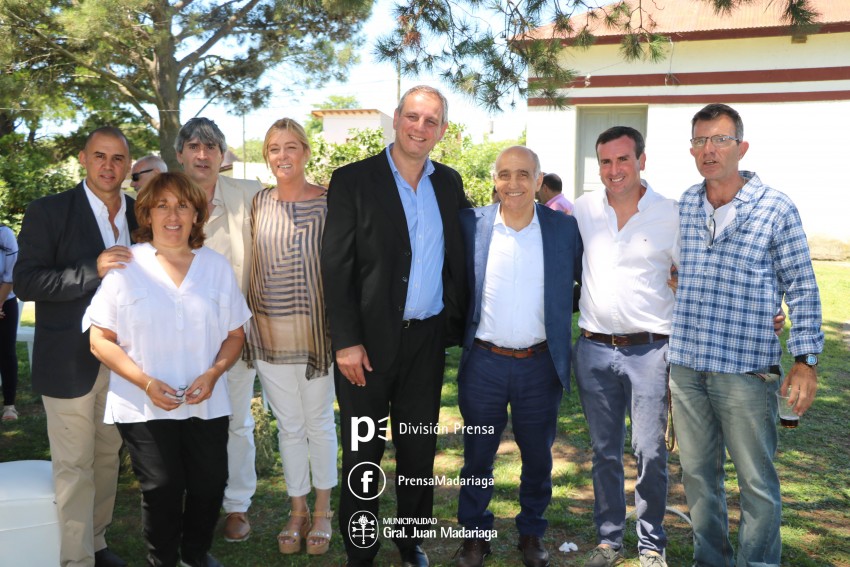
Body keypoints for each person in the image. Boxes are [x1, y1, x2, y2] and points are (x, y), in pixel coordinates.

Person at [321, 85, 470, 567]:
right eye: (412, 117)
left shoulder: (448, 183)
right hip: (365, 346)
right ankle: (361, 552)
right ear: (395, 119)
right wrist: (345, 341)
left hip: (425, 341)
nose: (420, 128)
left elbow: (461, 258)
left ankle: (411, 543)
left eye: (431, 121)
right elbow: (335, 267)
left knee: (418, 453)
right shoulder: (353, 181)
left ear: (442, 130)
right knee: (364, 453)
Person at [669, 103, 823, 567]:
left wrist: (805, 359)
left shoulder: (776, 206)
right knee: (697, 476)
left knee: (756, 481)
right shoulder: (687, 203)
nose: (708, 150)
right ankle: (710, 560)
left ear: (742, 146)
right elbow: (681, 269)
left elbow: (801, 282)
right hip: (687, 365)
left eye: (719, 139)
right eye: (700, 140)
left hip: (746, 369)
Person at [88, 172, 251, 567]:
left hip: (205, 400)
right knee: (162, 486)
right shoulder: (126, 264)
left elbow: (235, 334)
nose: (172, 214)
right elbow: (99, 339)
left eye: (183, 205)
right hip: (143, 402)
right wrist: (145, 382)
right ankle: (162, 559)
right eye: (162, 205)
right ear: (147, 214)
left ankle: (195, 556)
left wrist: (214, 373)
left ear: (198, 215)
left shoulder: (214, 267)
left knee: (209, 484)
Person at [454, 146, 582, 567]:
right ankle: (475, 535)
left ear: (538, 179)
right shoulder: (472, 224)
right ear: (495, 179)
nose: (513, 184)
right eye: (505, 174)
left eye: (523, 174)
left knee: (537, 456)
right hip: (484, 362)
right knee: (477, 455)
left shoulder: (563, 229)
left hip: (539, 363)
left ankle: (531, 532)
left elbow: (585, 282)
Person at [14, 126, 135, 567]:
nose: (108, 166)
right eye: (100, 156)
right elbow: (27, 282)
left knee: (107, 458)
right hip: (68, 361)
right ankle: (76, 561)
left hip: (124, 363)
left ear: (127, 163)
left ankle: (97, 543)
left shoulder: (140, 215)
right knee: (73, 467)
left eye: (118, 158)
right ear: (84, 159)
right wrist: (93, 268)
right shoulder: (48, 211)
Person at [572, 126, 677, 567]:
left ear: (642, 160)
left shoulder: (671, 213)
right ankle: (609, 539)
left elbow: (696, 274)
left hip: (650, 351)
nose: (614, 170)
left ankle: (651, 545)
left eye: (623, 160)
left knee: (650, 451)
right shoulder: (582, 209)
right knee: (604, 450)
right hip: (594, 349)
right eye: (606, 162)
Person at [244, 118, 337, 556]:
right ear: (268, 156)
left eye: (291, 147)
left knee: (318, 423)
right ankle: (296, 509)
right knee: (289, 425)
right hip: (267, 332)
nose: (283, 156)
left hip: (316, 333)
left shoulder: (329, 202)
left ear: (306, 152)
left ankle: (323, 510)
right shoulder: (258, 203)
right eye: (274, 148)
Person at [175, 117, 262, 542]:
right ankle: (191, 503)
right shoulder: (162, 199)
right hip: (175, 338)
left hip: (234, 336)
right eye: (194, 146)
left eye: (211, 147)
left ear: (223, 155)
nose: (203, 155)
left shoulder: (248, 195)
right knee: (182, 422)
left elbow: (301, 197)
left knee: (237, 422)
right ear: (181, 155)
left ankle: (237, 506)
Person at [1, 224, 19, 421]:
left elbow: (11, 275)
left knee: (6, 352)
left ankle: (9, 406)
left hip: (5, 301)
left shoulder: (4, 234)